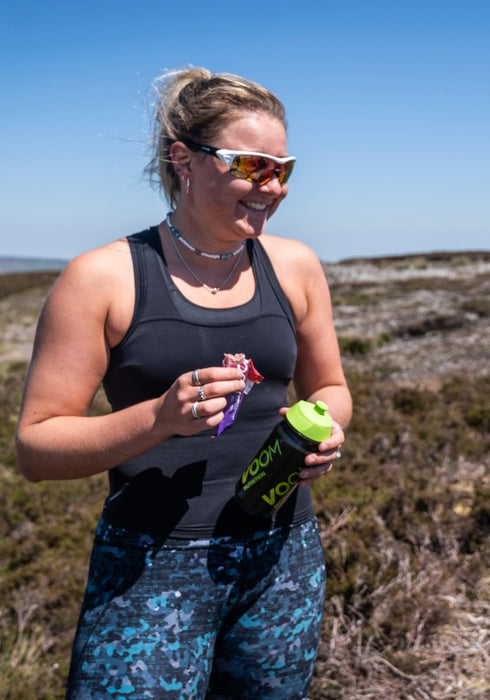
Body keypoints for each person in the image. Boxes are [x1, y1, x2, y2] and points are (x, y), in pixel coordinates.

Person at [15, 66, 351, 698]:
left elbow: (331, 387)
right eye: (253, 166)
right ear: (184, 160)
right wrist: (158, 419)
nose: (272, 187)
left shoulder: (297, 266)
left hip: (283, 555)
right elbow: (37, 450)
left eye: (285, 168)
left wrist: (327, 428)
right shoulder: (102, 278)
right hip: (150, 564)